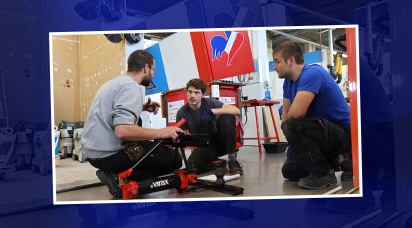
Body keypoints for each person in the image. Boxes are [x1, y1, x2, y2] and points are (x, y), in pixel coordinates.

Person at [81, 49, 183, 198]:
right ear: (146, 68)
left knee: (141, 127)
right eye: (153, 70)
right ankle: (122, 176)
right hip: (109, 156)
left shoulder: (113, 83)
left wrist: (141, 107)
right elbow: (122, 131)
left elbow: (111, 111)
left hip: (93, 154)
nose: (153, 74)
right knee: (174, 158)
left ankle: (121, 173)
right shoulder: (132, 87)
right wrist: (162, 132)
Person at [272, 40, 351, 189]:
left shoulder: (312, 74)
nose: (274, 67)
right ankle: (335, 161)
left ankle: (324, 173)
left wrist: (289, 120)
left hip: (342, 134)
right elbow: (285, 117)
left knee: (292, 124)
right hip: (321, 133)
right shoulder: (288, 82)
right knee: (290, 171)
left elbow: (295, 114)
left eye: (277, 61)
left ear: (291, 61)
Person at [175, 79, 243, 175]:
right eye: (190, 92)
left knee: (226, 117)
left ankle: (232, 160)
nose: (192, 96)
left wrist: (212, 111)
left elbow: (236, 111)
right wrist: (177, 161)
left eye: (196, 93)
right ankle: (218, 165)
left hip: (222, 142)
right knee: (192, 165)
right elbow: (180, 139)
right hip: (205, 145)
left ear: (203, 95)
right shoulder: (182, 112)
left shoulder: (209, 103)